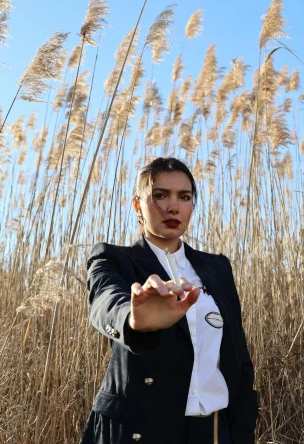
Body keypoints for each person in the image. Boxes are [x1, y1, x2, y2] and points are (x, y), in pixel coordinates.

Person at [79, 157, 258, 444]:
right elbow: (106, 303)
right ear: (138, 205)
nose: (173, 206)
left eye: (184, 197)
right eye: (160, 195)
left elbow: (238, 356)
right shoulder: (114, 259)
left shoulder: (217, 268)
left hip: (214, 431)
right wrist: (134, 320)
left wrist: (241, 430)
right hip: (144, 427)